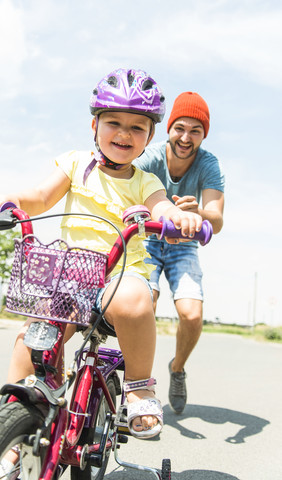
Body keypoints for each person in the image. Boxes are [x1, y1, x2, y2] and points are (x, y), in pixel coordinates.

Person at [0, 69, 203, 439]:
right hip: (71, 274)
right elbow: (39, 196)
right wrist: (12, 201)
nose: (123, 133)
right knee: (33, 337)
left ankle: (138, 386)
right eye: (113, 122)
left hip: (119, 274)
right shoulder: (74, 165)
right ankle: (12, 422)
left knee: (134, 301)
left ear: (150, 136)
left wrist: (176, 217)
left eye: (137, 127)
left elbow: (161, 206)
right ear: (94, 126)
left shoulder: (144, 181)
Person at [133, 91, 225, 414]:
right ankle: (137, 385)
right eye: (180, 128)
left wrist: (198, 211)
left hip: (184, 245)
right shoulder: (149, 157)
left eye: (195, 131)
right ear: (169, 128)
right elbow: (121, 189)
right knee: (143, 305)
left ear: (204, 135)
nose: (186, 138)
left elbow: (217, 218)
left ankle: (177, 368)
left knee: (192, 315)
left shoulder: (208, 164)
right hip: (146, 239)